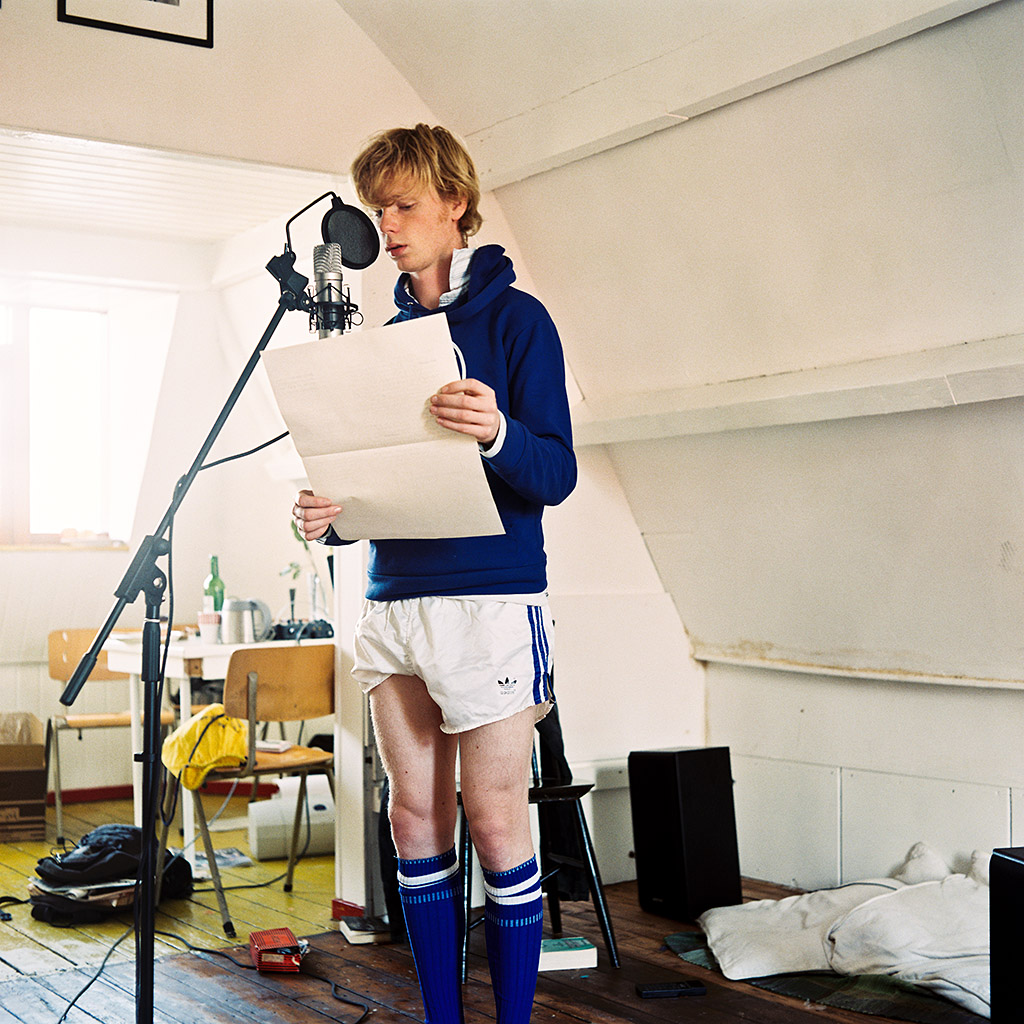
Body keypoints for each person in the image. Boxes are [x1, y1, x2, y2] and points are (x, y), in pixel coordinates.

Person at [292, 124, 576, 1024]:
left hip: (489, 600)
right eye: (379, 207)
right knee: (413, 822)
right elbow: (382, 486)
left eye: (406, 203)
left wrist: (496, 432)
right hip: (393, 600)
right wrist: (330, 519)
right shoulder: (387, 340)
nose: (389, 222)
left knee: (494, 819)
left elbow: (557, 473)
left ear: (456, 203)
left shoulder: (518, 320)